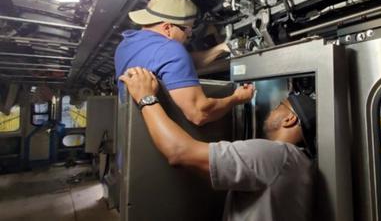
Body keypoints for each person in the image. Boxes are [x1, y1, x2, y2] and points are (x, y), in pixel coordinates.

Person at [119, 67, 316, 221]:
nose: (273, 110)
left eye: (279, 106)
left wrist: (146, 98)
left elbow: (178, 152)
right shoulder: (299, 162)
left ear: (289, 119)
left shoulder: (274, 154)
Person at [114, 0, 253, 126]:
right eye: (187, 30)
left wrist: (222, 48)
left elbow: (175, 64)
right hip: (161, 143)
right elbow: (199, 114)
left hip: (132, 136)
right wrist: (237, 98)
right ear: (168, 27)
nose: (188, 36)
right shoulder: (170, 49)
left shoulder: (124, 46)